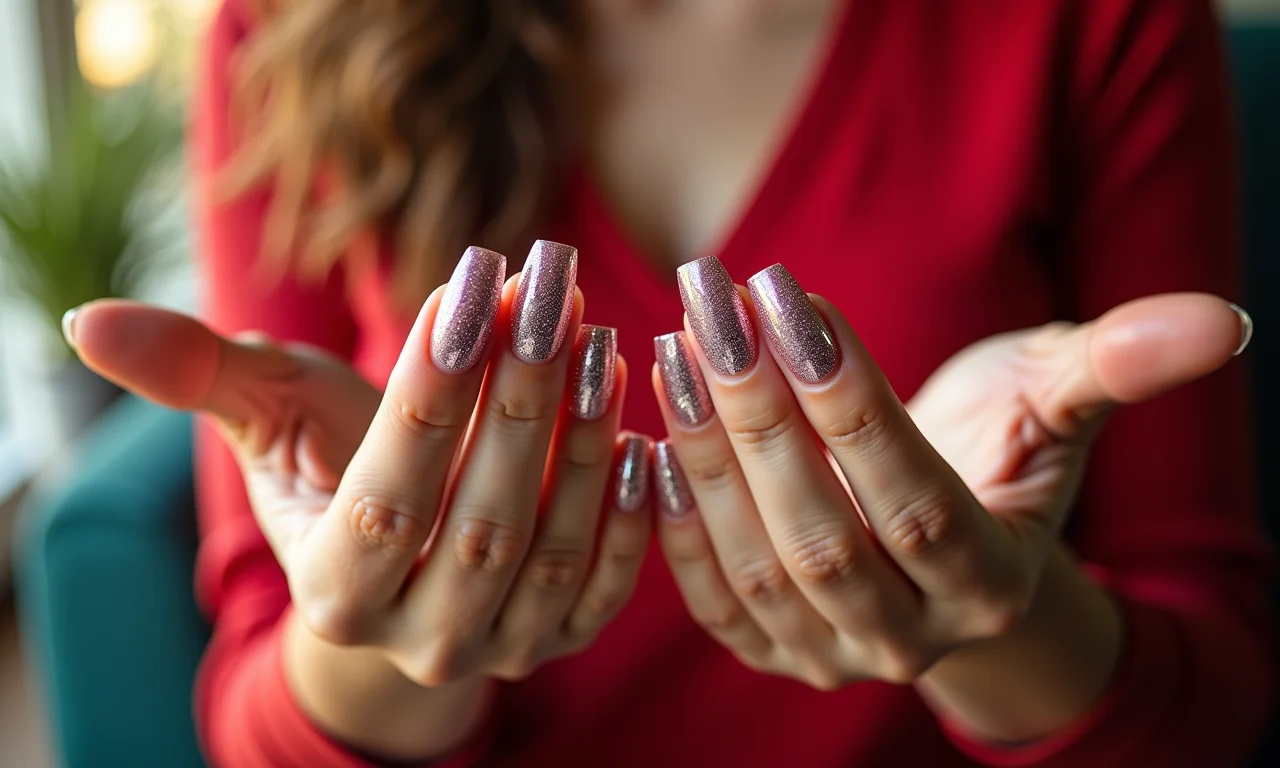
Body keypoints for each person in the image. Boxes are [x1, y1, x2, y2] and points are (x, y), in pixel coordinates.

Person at [63, 0, 1273, 765]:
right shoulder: (287, 27)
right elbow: (255, 723)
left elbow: (1208, 700)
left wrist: (983, 613)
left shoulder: (1093, 20)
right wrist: (387, 629)